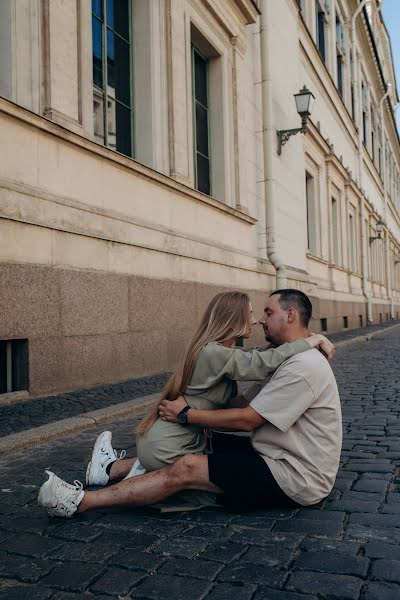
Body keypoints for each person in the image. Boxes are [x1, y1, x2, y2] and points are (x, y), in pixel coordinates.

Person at [38, 289, 340, 517]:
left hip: (295, 477)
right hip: (276, 455)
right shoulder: (284, 359)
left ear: (290, 315)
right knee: (204, 446)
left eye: (268, 312)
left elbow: (247, 419)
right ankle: (111, 469)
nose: (260, 319)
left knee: (187, 466)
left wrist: (186, 414)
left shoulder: (303, 366)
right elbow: (246, 395)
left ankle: (80, 503)